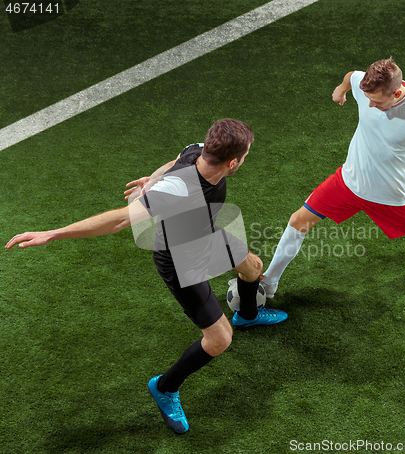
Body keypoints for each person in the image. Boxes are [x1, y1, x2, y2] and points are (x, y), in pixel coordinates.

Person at [5, 118, 287, 434]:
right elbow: (119, 221)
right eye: (246, 156)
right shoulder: (180, 189)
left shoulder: (199, 150)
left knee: (253, 267)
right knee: (219, 339)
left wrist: (152, 181)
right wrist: (54, 234)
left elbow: (176, 160)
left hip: (205, 234)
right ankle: (165, 387)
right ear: (233, 162)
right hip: (180, 259)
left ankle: (247, 315)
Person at [261, 58, 405, 298]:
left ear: (397, 92)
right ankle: (269, 282)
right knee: (298, 220)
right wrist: (341, 90)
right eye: (367, 98)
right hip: (348, 182)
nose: (369, 105)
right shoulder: (366, 88)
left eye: (376, 101)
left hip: (391, 197)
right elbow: (351, 76)